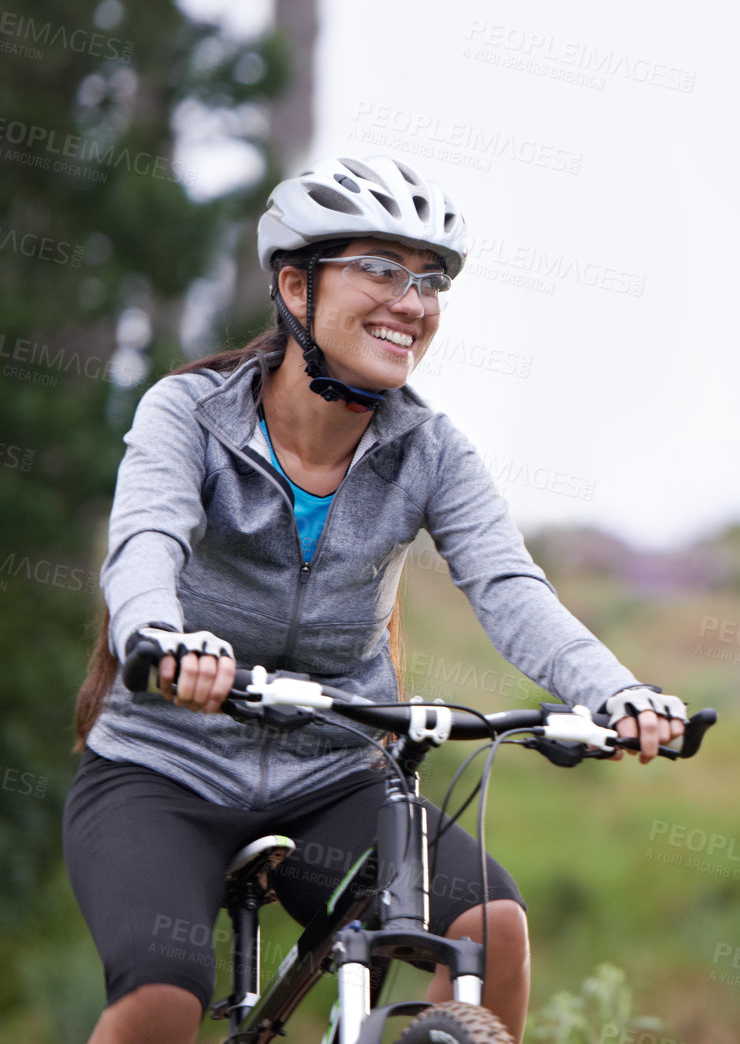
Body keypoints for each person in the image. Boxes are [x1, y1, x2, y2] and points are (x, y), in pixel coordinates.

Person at [63, 154, 688, 1044]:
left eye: (429, 281)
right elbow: (145, 544)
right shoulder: (188, 413)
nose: (413, 301)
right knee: (162, 997)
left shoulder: (429, 450)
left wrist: (614, 692)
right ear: (296, 286)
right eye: (382, 270)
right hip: (163, 769)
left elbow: (510, 586)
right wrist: (161, 639)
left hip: (333, 774)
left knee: (492, 931)